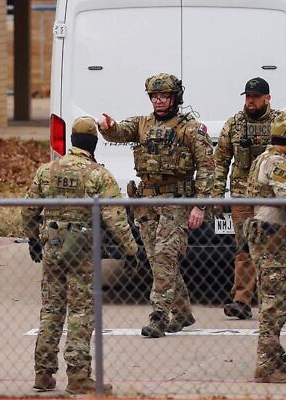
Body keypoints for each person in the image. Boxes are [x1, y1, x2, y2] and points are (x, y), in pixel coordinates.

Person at [21, 116, 138, 395]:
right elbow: (116, 219)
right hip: (82, 251)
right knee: (81, 311)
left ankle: (43, 373)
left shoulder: (46, 171)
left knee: (51, 309)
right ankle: (78, 375)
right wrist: (130, 250)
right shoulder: (98, 175)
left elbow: (28, 209)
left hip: (52, 246)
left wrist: (33, 238)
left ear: (72, 141)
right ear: (94, 143)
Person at [97, 73, 215, 338]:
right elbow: (118, 133)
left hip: (176, 202)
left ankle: (159, 316)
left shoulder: (191, 128)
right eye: (155, 97)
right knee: (157, 260)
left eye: (164, 96)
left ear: (175, 98)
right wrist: (107, 126)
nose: (159, 101)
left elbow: (208, 168)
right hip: (147, 203)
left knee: (164, 256)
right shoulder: (142, 124)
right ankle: (183, 313)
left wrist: (201, 205)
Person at [245, 111, 286, 383]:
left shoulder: (263, 157)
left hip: (266, 235)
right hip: (270, 237)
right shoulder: (277, 161)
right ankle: (266, 366)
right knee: (274, 304)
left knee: (274, 299)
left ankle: (275, 360)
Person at [212, 77, 282, 320]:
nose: (250, 101)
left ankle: (271, 299)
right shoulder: (234, 124)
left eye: (255, 96)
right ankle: (241, 300)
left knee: (269, 247)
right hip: (241, 195)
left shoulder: (279, 124)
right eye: (247, 96)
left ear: (267, 98)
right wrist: (216, 196)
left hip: (270, 197)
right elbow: (220, 161)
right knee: (243, 248)